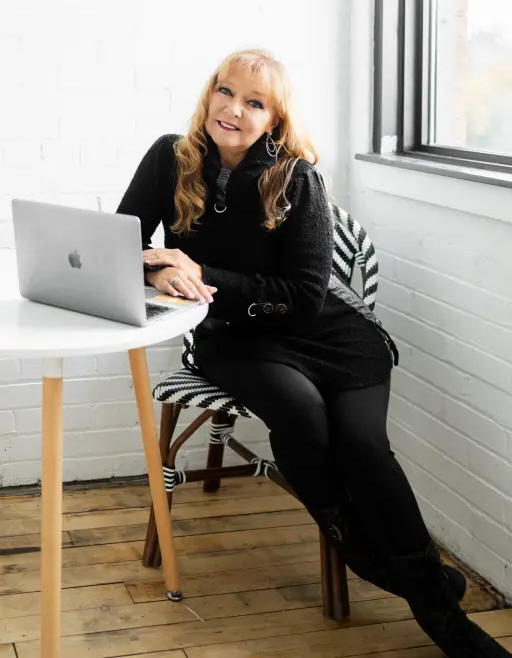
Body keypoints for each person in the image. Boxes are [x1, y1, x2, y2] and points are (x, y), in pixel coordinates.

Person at [117, 49, 509, 657]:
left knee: (363, 447)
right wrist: (159, 272)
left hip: (330, 336)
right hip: (233, 338)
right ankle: (406, 583)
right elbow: (119, 245)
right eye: (225, 91)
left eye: (254, 102)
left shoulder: (296, 177)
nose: (233, 108)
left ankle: (421, 590)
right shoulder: (171, 157)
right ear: (209, 94)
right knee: (301, 414)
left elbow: (302, 299)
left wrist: (200, 270)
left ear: (274, 118)